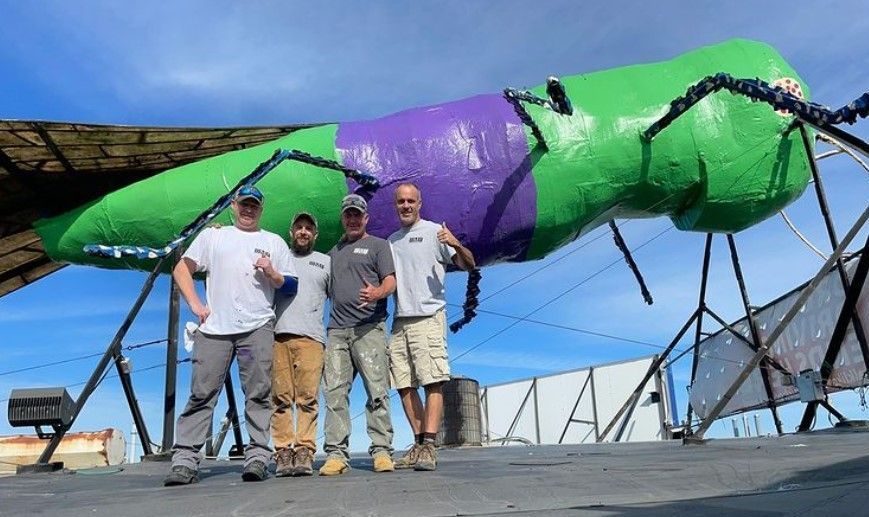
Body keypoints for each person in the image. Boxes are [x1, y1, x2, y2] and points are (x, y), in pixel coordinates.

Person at [163, 185, 297, 486]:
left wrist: (273, 274)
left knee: (258, 392)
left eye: (254, 205)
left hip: (255, 330)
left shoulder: (273, 242)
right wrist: (196, 305)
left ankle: (258, 457)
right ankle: (185, 460)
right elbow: (181, 269)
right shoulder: (213, 236)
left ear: (261, 209)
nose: (249, 210)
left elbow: (290, 286)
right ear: (233, 207)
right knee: (201, 393)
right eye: (243, 204)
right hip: (215, 333)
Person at [387, 183, 475, 471]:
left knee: (432, 381)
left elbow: (468, 264)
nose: (406, 205)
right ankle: (418, 443)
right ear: (395, 205)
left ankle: (429, 446)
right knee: (402, 384)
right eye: (401, 201)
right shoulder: (391, 241)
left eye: (411, 200)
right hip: (400, 319)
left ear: (420, 203)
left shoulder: (434, 231)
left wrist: (456, 243)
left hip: (428, 316)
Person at [319, 194, 396, 476]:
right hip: (337, 332)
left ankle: (382, 451)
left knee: (377, 391)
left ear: (366, 218)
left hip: (369, 329)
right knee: (335, 393)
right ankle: (336, 454)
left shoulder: (378, 246)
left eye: (357, 215)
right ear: (343, 218)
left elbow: (390, 280)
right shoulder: (332, 253)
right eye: (348, 215)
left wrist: (378, 292)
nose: (352, 219)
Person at [271, 212, 330, 477]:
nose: (303, 232)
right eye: (299, 228)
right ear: (291, 232)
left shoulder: (325, 262)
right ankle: (283, 451)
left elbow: (342, 295)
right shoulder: (279, 258)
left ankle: (305, 450)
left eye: (309, 228)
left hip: (312, 339)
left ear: (315, 235)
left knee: (308, 399)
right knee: (280, 399)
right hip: (278, 336)